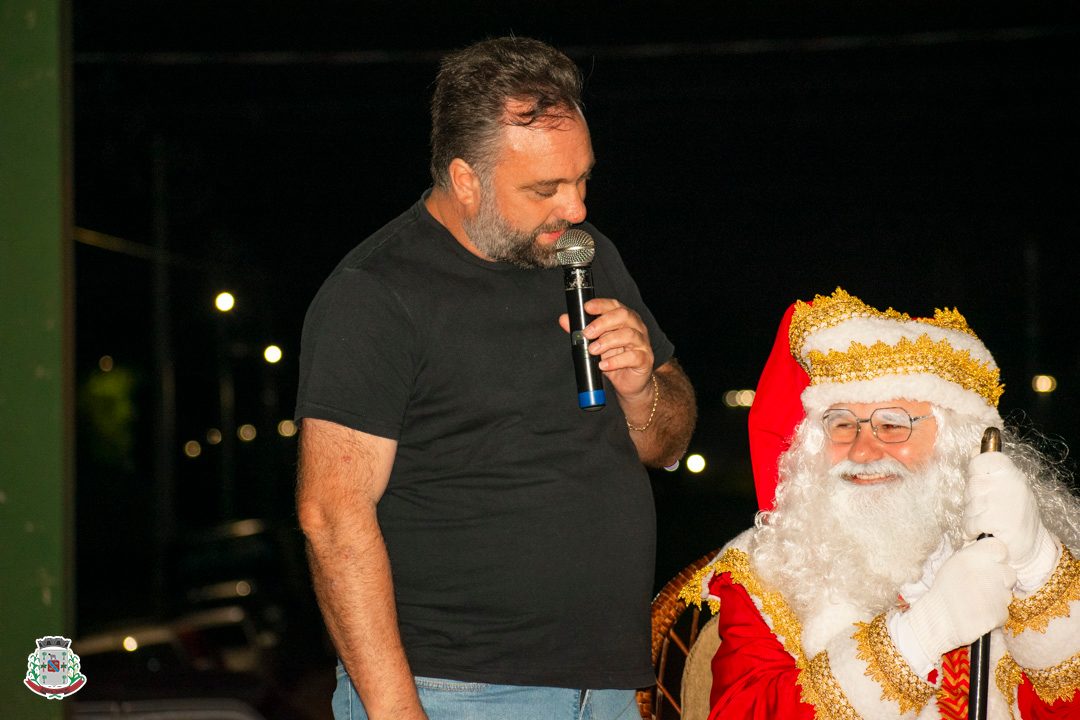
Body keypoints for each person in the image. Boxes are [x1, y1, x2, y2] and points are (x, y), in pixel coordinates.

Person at [294, 36, 697, 720]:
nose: (575, 210)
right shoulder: (377, 293)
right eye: (546, 189)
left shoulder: (589, 260)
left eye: (582, 179)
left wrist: (641, 391)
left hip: (603, 691)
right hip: (458, 693)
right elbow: (331, 515)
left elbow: (669, 443)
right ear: (465, 179)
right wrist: (396, 711)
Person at [681, 288, 1080, 719]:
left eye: (893, 424)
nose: (862, 451)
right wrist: (918, 636)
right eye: (841, 424)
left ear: (954, 443)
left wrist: (1037, 565)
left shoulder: (1008, 552)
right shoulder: (768, 570)